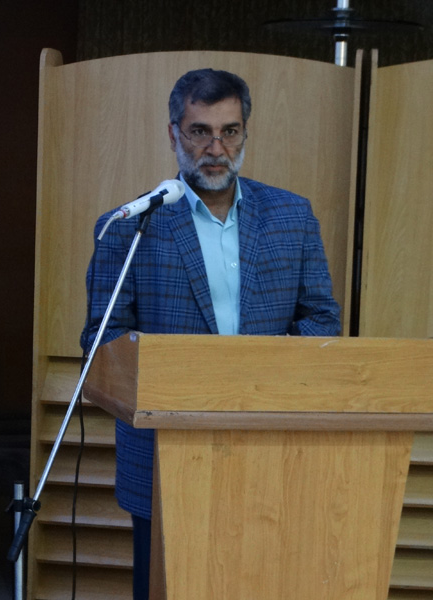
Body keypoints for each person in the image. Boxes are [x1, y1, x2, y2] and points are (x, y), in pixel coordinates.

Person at [80, 68, 341, 600]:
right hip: (164, 453)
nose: (216, 148)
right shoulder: (130, 226)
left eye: (230, 131)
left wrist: (256, 377)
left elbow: (322, 319)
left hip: (268, 444)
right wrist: (184, 378)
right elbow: (101, 342)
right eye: (200, 131)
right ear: (173, 133)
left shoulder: (292, 216)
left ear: (245, 132)